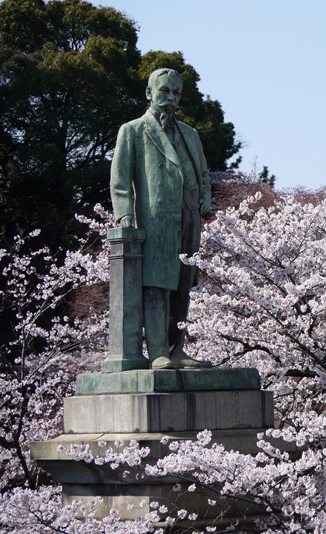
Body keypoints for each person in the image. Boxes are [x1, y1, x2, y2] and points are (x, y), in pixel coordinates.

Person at [110, 68, 212, 370]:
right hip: (154, 221)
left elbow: (203, 174)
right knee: (156, 285)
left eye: (176, 93)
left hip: (189, 221)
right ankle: (158, 352)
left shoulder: (190, 134)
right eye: (164, 91)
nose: (170, 99)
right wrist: (126, 215)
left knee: (182, 287)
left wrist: (205, 196)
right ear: (149, 93)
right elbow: (120, 180)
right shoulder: (133, 130)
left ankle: (177, 348)